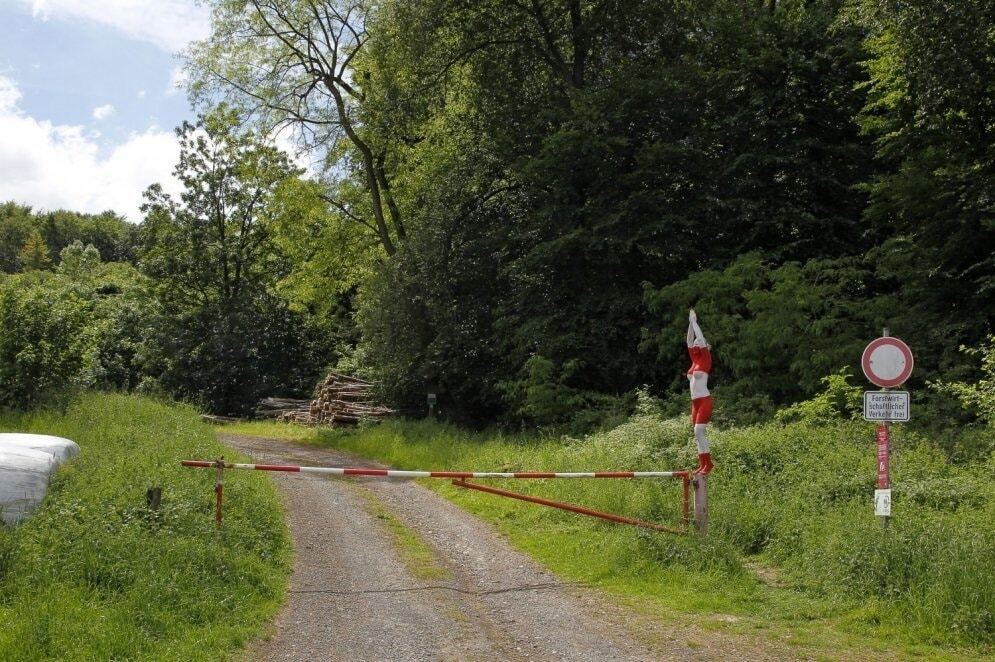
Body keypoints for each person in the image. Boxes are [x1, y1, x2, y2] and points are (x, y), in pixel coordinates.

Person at [687, 309, 714, 476]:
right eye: (696, 342)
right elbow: (689, 340)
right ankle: (702, 464)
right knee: (696, 434)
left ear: (705, 346)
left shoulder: (705, 358)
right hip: (694, 403)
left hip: (704, 400)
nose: (696, 343)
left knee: (699, 431)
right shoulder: (694, 360)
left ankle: (708, 463)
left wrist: (695, 322)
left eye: (699, 342)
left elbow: (699, 338)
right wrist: (690, 323)